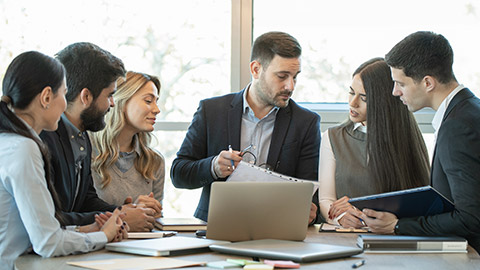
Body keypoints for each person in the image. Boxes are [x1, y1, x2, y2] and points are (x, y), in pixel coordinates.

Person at [171, 31, 321, 224]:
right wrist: (213, 167)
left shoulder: (306, 122)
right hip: (216, 227)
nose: (290, 86)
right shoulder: (212, 111)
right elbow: (178, 174)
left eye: (295, 77)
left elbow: (311, 190)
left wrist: (310, 211)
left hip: (278, 230)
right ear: (256, 69)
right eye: (282, 76)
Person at [0, 51, 127, 270]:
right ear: (47, 97)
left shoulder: (10, 141)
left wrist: (86, 230)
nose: (65, 104)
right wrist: (103, 237)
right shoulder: (24, 148)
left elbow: (36, 231)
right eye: (64, 93)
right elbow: (47, 243)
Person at [357, 31, 480, 253]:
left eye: (400, 83)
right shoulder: (470, 110)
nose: (395, 92)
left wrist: (397, 226)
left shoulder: (457, 127)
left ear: (428, 83)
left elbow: (470, 218)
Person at [40, 42, 156, 231]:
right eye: (110, 95)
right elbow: (50, 218)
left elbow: (86, 200)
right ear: (86, 97)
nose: (112, 104)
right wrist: (121, 218)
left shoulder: (81, 135)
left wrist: (123, 210)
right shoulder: (44, 139)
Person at [318, 58, 430, 228]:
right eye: (351, 92)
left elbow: (420, 200)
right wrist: (339, 217)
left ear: (383, 102)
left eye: (363, 98)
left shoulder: (406, 138)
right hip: (348, 235)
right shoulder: (333, 138)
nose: (352, 102)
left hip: (395, 236)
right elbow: (326, 199)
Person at [90, 71, 164, 217]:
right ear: (122, 102)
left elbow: (155, 221)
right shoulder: (86, 150)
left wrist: (147, 213)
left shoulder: (155, 161)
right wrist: (127, 213)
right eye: (148, 101)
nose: (157, 110)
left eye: (156, 101)